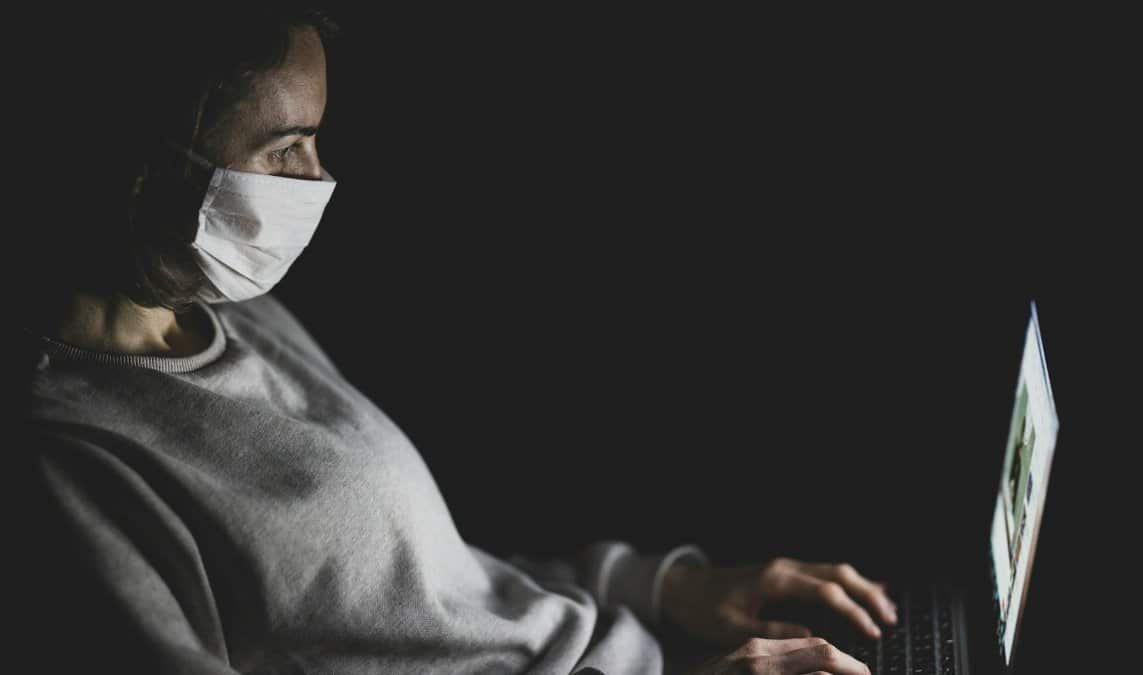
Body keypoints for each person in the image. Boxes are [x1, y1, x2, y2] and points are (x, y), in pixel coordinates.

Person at [18, 7, 896, 674]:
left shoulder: (231, 316)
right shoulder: (71, 465)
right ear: (149, 165)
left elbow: (431, 596)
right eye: (288, 147)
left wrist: (667, 587)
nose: (318, 179)